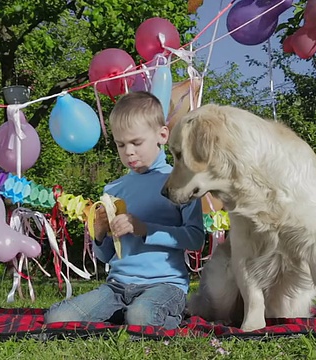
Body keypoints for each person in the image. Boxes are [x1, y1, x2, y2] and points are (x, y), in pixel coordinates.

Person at [44, 91, 205, 329]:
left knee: (141, 317)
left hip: (165, 285)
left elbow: (195, 239)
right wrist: (99, 234)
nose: (128, 151)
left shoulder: (179, 180)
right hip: (117, 286)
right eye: (121, 144)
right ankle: (125, 314)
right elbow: (106, 255)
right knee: (57, 319)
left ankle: (168, 314)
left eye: (136, 143)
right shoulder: (114, 189)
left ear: (162, 135)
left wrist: (144, 229)